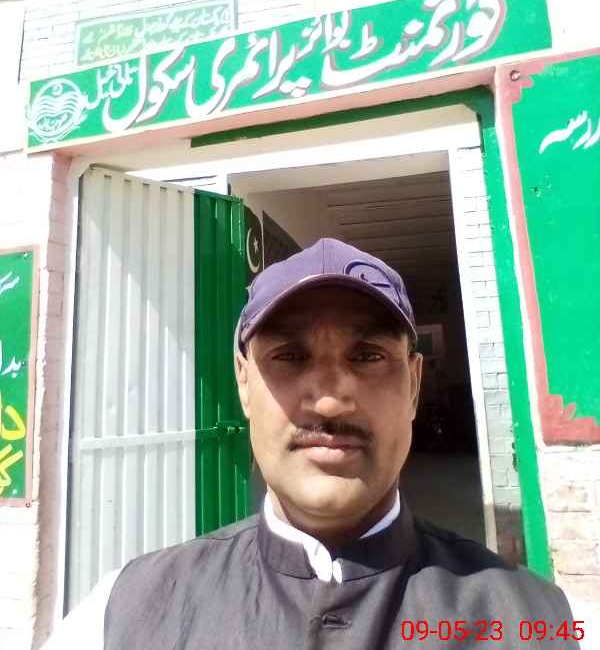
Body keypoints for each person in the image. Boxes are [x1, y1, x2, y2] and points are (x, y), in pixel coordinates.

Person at [44, 238, 582, 649]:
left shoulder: (543, 624)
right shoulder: (122, 615)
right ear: (244, 383)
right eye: (289, 356)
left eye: (368, 356)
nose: (328, 402)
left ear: (414, 385)